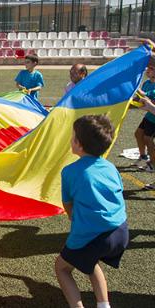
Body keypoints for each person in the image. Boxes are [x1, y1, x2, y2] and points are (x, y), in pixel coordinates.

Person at [54, 114, 128, 308]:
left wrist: (73, 218)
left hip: (92, 235)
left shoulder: (70, 171)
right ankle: (104, 305)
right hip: (120, 232)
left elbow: (67, 204)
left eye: (73, 137)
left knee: (62, 268)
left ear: (78, 144)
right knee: (90, 261)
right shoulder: (111, 167)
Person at [133, 66, 155, 172]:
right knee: (138, 134)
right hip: (149, 116)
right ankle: (143, 156)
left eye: (151, 69)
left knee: (148, 139)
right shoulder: (146, 83)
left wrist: (133, 85)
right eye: (148, 68)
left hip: (154, 119)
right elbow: (140, 98)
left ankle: (152, 163)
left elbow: (144, 95)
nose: (148, 70)